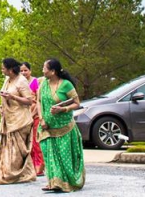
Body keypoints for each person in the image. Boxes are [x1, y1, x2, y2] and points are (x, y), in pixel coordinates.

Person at [38, 59, 85, 192]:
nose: (42, 70)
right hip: (47, 127)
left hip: (64, 127)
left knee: (64, 157)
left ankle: (66, 182)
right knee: (49, 155)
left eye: (44, 68)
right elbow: (38, 102)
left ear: (52, 71)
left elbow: (76, 103)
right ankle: (53, 182)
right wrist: (42, 119)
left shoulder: (66, 85)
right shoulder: (43, 84)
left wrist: (63, 109)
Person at [0, 57, 36, 185]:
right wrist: (2, 104)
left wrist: (12, 96)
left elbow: (29, 101)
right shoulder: (7, 80)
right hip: (9, 118)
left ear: (11, 70)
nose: (2, 70)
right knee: (8, 148)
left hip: (20, 120)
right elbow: (6, 95)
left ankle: (21, 174)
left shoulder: (21, 81)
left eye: (3, 68)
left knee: (17, 150)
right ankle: (7, 173)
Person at [21, 61, 45, 176]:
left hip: (34, 114)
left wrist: (34, 114)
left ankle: (39, 168)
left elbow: (39, 100)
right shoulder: (20, 83)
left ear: (30, 71)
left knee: (36, 142)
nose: (23, 72)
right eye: (21, 71)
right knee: (26, 143)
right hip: (23, 116)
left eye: (25, 70)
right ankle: (29, 167)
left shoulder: (35, 82)